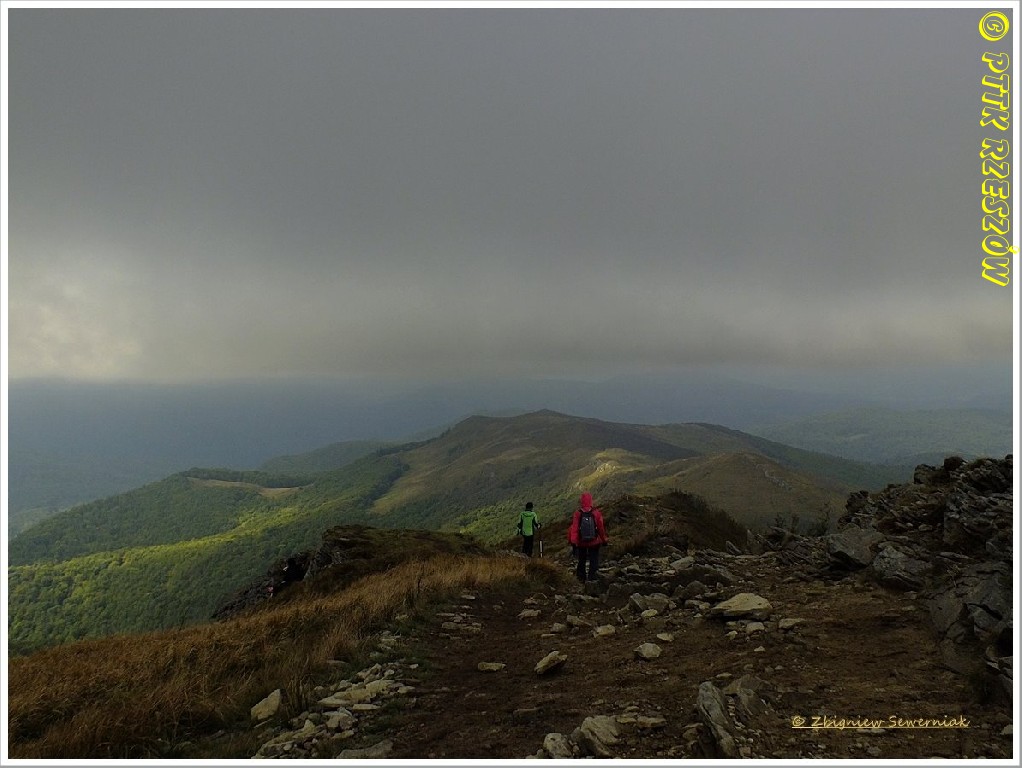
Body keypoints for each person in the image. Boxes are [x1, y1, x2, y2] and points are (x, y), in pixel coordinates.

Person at [567, 492, 608, 582]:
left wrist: (573, 542)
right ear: (591, 501)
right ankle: (593, 578)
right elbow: (601, 528)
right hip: (594, 542)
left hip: (581, 542)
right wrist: (604, 540)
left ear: (581, 501)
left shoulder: (577, 514)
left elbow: (574, 529)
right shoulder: (596, 513)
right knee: (594, 559)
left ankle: (581, 578)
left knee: (582, 560)